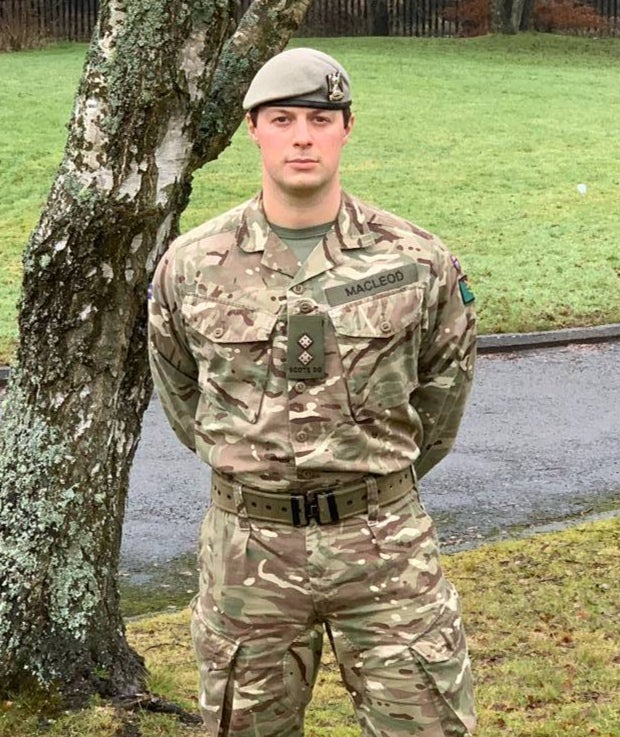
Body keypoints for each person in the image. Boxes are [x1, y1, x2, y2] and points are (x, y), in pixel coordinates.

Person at [147, 47, 477, 737]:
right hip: (248, 552)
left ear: (346, 129)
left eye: (320, 119)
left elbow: (441, 396)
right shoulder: (191, 266)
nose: (302, 135)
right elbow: (185, 398)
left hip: (383, 543)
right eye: (283, 117)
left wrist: (372, 476)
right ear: (253, 128)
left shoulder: (415, 261)